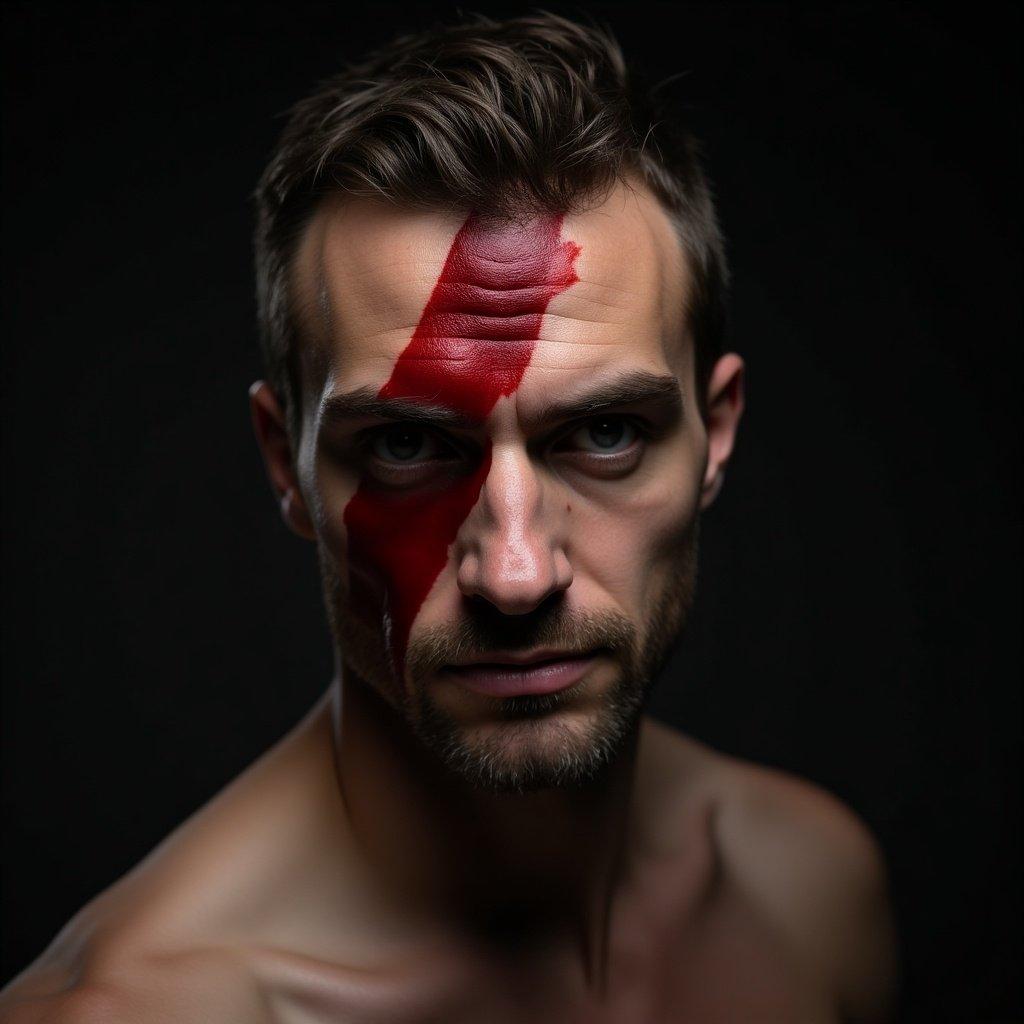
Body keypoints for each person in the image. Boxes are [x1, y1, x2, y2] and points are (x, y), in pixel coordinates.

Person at [0, 12, 897, 1022]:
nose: (514, 572)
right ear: (283, 463)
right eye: (407, 445)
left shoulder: (811, 887)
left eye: (604, 431)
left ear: (715, 433)